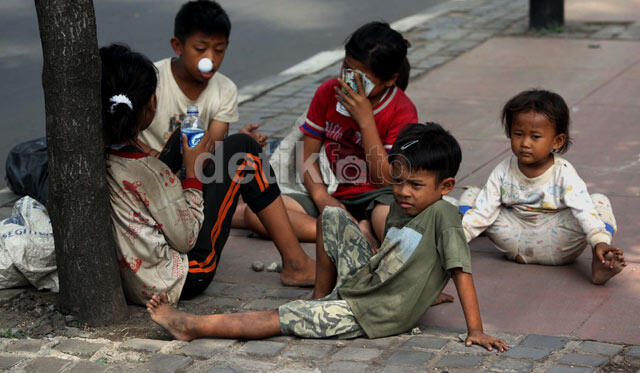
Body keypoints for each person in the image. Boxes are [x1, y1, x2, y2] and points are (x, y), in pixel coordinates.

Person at [146, 123, 508, 352]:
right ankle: (321, 295)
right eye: (398, 181)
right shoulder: (405, 205)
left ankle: (191, 326)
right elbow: (403, 253)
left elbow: (461, 271)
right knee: (332, 214)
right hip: (365, 281)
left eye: (416, 185)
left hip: (369, 312)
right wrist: (425, 287)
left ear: (446, 187)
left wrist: (475, 330)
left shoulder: (444, 215)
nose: (403, 192)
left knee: (281, 317)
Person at [101, 43, 315, 306]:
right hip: (182, 277)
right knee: (244, 152)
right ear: (149, 105)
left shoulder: (96, 154)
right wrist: (193, 174)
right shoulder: (150, 173)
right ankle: (297, 264)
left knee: (186, 137)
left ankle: (213, 161)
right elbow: (187, 237)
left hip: (133, 274)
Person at [243, 21, 418, 249]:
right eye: (346, 69)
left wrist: (366, 122)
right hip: (331, 190)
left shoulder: (401, 110)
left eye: (361, 80)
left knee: (389, 224)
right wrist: (321, 196)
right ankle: (348, 232)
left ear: (389, 80)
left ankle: (354, 226)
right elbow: (307, 155)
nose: (349, 82)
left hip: (377, 197)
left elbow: (385, 179)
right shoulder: (328, 92)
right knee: (255, 214)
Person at [458, 89, 626, 284]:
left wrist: (599, 241)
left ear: (557, 140)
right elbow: (483, 213)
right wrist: (452, 243)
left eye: (535, 137)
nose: (525, 143)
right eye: (518, 134)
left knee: (597, 202)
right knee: (476, 196)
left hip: (559, 242)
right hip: (515, 239)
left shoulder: (564, 172)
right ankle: (461, 235)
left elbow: (583, 210)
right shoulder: (502, 171)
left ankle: (601, 257)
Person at [137, 0, 266, 154]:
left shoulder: (225, 90)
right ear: (178, 46)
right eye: (200, 49)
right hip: (147, 166)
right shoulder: (150, 78)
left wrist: (235, 142)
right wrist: (158, 161)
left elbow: (210, 151)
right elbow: (125, 136)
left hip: (196, 169)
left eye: (219, 50)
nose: (210, 59)